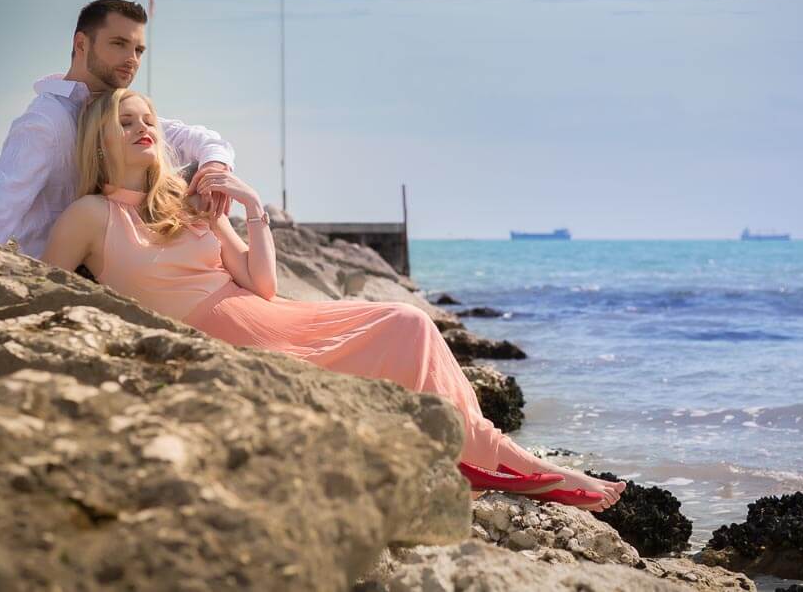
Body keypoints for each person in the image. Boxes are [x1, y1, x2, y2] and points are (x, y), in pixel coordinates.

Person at [42, 87, 627, 511]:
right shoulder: (89, 216)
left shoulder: (184, 201)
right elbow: (40, 290)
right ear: (98, 143)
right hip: (230, 346)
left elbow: (262, 284)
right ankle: (515, 467)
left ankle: (500, 457)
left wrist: (253, 209)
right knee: (407, 327)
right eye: (126, 122)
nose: (145, 128)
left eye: (148, 118)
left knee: (410, 322)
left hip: (272, 318)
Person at [0, 0, 235, 259]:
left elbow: (205, 141)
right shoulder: (45, 121)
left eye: (138, 50)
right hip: (73, 271)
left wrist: (215, 167)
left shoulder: (117, 109)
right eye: (119, 44)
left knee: (202, 172)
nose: (132, 59)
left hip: (134, 259)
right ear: (81, 44)